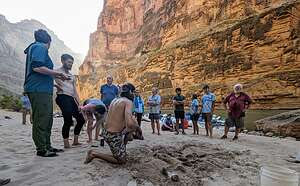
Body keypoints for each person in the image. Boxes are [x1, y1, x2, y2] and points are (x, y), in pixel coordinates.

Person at [24, 29, 69, 157]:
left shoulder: (35, 47)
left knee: (47, 118)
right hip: (39, 90)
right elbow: (37, 67)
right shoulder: (40, 47)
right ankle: (41, 149)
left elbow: (40, 72)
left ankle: (47, 145)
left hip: (42, 89)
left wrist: (54, 82)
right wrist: (58, 73)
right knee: (42, 119)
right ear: (48, 41)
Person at [84, 83, 143, 164]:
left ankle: (122, 149)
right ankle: (94, 154)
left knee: (133, 126)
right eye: (133, 93)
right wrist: (131, 130)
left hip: (105, 132)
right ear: (130, 92)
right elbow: (129, 123)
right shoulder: (128, 102)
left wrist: (136, 128)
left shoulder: (115, 100)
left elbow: (131, 120)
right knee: (122, 161)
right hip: (113, 135)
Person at [55, 54, 85, 148]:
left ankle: (75, 141)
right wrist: (56, 86)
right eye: (69, 62)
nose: (70, 64)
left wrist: (80, 104)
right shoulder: (56, 72)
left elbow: (74, 91)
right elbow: (47, 80)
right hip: (62, 97)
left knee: (81, 120)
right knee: (68, 120)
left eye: (72, 63)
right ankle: (66, 144)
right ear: (63, 61)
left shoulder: (72, 76)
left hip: (71, 98)